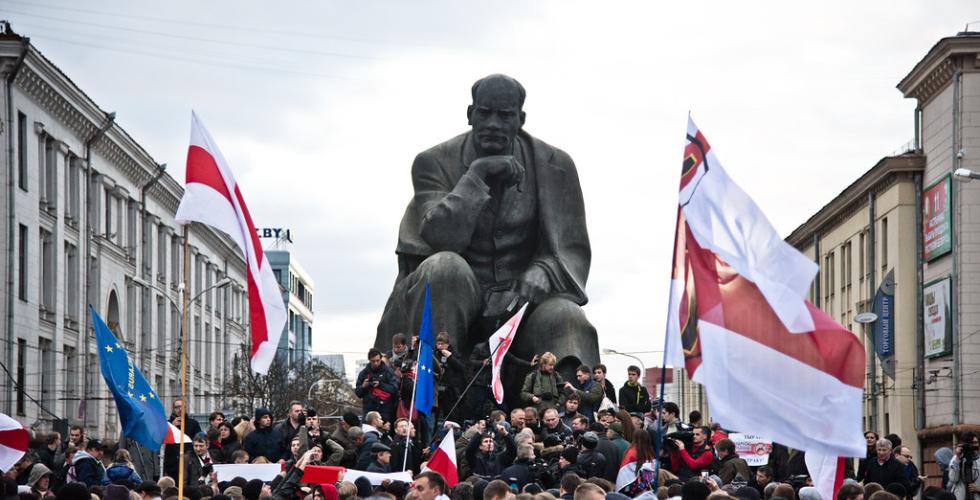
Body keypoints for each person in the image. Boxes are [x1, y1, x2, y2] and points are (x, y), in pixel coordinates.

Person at [376, 74, 598, 399]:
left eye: (505, 115)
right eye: (485, 113)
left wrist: (543, 272)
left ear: (520, 120)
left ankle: (568, 418)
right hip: (453, 296)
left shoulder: (555, 166)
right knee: (445, 268)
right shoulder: (433, 162)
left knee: (565, 316)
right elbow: (440, 236)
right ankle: (433, 400)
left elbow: (572, 249)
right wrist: (476, 176)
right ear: (471, 114)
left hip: (521, 304)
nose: (493, 123)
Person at [355, 349, 399, 424]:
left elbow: (394, 389)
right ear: (369, 360)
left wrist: (380, 384)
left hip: (385, 410)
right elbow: (358, 393)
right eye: (373, 361)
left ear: (381, 359)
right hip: (369, 410)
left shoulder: (388, 371)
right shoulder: (363, 373)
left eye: (378, 360)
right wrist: (363, 386)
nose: (376, 363)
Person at [164, 399, 202, 479]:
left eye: (182, 407)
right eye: (177, 407)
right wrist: (172, 426)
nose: (180, 409)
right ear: (173, 409)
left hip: (189, 462)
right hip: (172, 463)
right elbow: (163, 439)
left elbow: (199, 439)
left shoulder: (193, 423)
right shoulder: (167, 424)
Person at [948, 432, 980, 500]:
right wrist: (957, 458)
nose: (974, 446)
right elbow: (953, 479)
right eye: (971, 443)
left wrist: (978, 489)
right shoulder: (956, 459)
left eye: (976, 442)